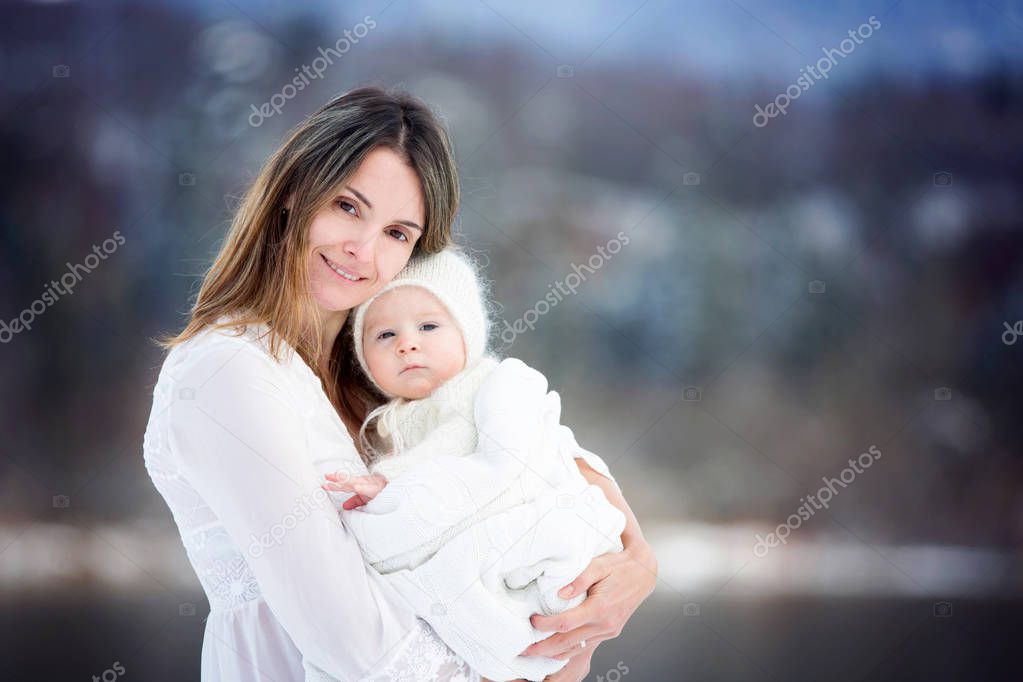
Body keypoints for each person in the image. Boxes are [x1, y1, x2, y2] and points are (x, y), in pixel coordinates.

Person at [142, 85, 657, 682]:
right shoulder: (228, 370)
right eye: (348, 207)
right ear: (292, 196)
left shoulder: (381, 376)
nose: (362, 249)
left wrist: (637, 557)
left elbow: (528, 442)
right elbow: (349, 642)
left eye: (397, 233)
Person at [321, 247, 627, 681]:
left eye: (428, 326)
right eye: (385, 335)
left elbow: (504, 465)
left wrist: (392, 487)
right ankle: (494, 652)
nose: (407, 343)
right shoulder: (393, 424)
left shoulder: (496, 385)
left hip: (532, 530)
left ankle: (509, 648)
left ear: (467, 332)